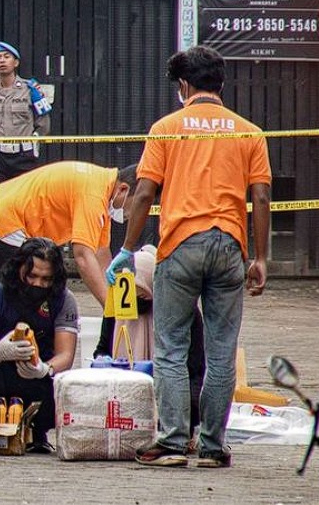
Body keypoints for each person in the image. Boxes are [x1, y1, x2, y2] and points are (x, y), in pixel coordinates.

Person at [108, 45, 271, 469]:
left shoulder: (166, 128)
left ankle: (173, 442)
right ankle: (214, 447)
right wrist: (261, 258)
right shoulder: (248, 131)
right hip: (230, 247)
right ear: (220, 83)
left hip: (180, 245)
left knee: (171, 349)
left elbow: (144, 192)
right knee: (221, 351)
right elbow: (261, 195)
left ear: (183, 85)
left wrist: (126, 250)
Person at [0, 237, 78, 453]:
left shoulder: (63, 300)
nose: (37, 284)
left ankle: (38, 430)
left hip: (36, 379)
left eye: (46, 279)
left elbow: (66, 355)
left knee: (65, 384)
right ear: (18, 270)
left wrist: (45, 369)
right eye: (31, 276)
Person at [0, 161, 137, 308]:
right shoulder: (93, 195)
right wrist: (111, 312)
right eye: (138, 205)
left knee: (17, 301)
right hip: (2, 228)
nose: (135, 214)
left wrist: (116, 303)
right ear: (123, 189)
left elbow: (101, 253)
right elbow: (84, 258)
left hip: (2, 222)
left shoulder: (101, 189)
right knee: (8, 302)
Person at [93, 246, 206, 450]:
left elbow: (195, 368)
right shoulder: (116, 305)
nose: (138, 302)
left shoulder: (183, 312)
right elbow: (102, 349)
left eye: (143, 296)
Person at [0, 41, 51, 183]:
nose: (2, 61)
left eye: (7, 56)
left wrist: (34, 145)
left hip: (25, 156)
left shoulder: (31, 90)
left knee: (25, 199)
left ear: (16, 62)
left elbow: (44, 123)